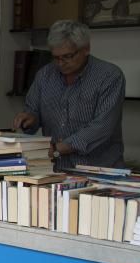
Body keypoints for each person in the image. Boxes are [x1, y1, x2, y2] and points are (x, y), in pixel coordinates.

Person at [13, 20, 125, 170]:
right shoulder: (45, 75)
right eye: (56, 57)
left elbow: (102, 127)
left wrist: (58, 149)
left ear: (86, 49)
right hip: (56, 169)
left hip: (99, 169)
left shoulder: (109, 76)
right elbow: (33, 111)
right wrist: (30, 119)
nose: (60, 63)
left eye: (67, 56)